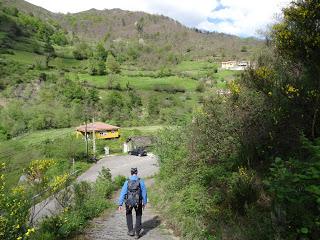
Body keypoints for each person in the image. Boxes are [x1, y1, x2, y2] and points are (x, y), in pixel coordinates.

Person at [118, 168, 147, 239]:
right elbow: (144, 192)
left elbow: (123, 193)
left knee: (128, 214)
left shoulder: (127, 181)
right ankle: (137, 233)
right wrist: (144, 202)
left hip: (128, 202)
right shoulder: (140, 181)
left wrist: (120, 204)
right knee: (138, 215)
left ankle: (131, 231)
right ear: (137, 172)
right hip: (138, 202)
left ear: (131, 173)